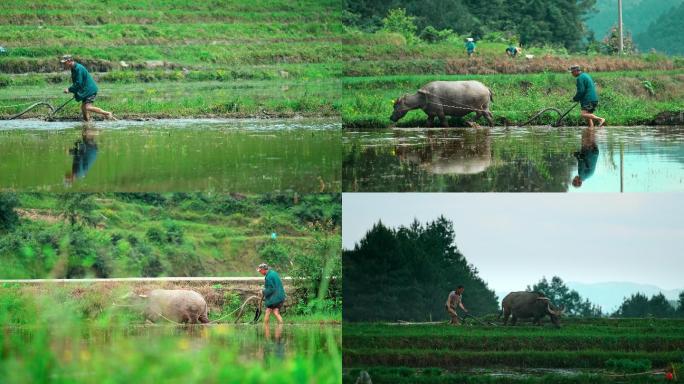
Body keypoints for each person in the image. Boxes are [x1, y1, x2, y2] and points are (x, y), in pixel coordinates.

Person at [60, 55, 114, 121]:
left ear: (69, 61)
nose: (63, 64)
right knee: (83, 108)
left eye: (64, 63)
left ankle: (107, 113)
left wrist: (69, 89)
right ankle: (87, 122)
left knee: (87, 107)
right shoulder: (73, 68)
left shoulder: (78, 68)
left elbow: (78, 83)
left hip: (90, 90)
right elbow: (79, 83)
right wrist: (76, 92)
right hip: (86, 90)